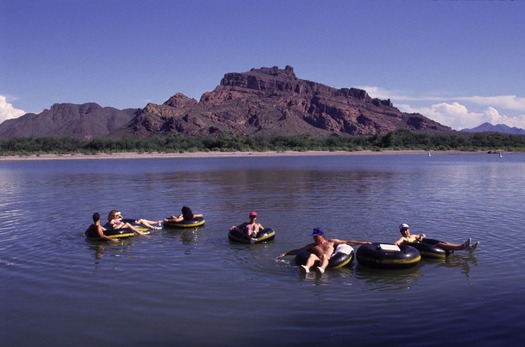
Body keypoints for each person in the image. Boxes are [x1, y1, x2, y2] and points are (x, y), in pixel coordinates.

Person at [278, 227, 371, 274]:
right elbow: (299, 250)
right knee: (311, 256)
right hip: (318, 260)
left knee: (324, 256)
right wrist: (286, 254)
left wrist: (362, 242)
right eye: (314, 237)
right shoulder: (312, 246)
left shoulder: (331, 242)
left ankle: (322, 269)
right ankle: (306, 268)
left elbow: (347, 242)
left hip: (329, 259)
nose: (314, 238)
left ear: (322, 235)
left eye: (316, 236)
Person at [394, 223, 479, 253]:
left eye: (406, 230)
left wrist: (422, 236)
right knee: (441, 245)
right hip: (425, 247)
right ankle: (463, 247)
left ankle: (468, 247)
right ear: (401, 232)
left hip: (425, 243)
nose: (405, 232)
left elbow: (420, 238)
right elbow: (398, 241)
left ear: (409, 229)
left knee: (445, 243)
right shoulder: (404, 239)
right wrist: (396, 244)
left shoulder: (413, 235)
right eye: (403, 230)